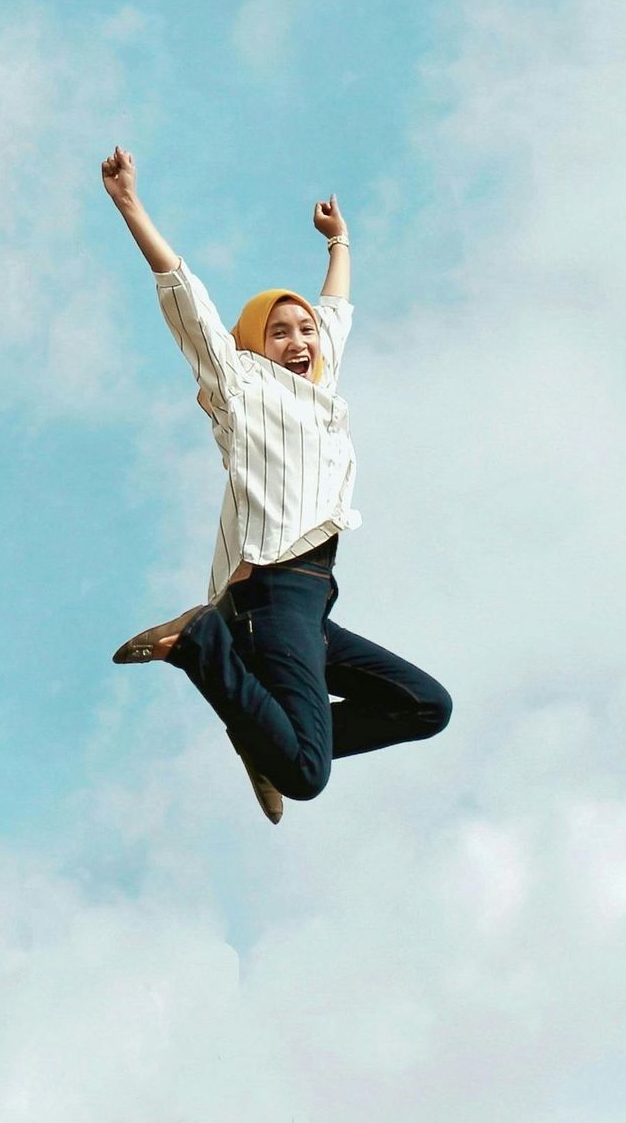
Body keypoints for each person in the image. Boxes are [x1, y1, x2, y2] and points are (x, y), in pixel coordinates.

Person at [100, 146, 452, 825]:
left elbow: (337, 312)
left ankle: (264, 738)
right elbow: (187, 302)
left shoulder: (320, 388)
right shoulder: (241, 384)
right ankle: (203, 644)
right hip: (268, 591)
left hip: (309, 604)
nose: (301, 338)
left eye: (305, 331)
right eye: (280, 329)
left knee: (425, 705)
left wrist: (339, 242)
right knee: (307, 776)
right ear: (253, 345)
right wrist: (130, 205)